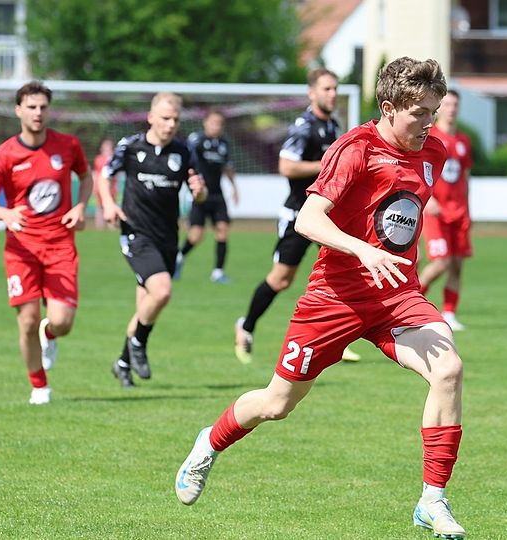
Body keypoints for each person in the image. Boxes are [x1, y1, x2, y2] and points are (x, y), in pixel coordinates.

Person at [175, 57, 467, 539]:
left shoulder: (432, 150)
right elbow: (307, 220)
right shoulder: (354, 149)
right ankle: (209, 442)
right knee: (276, 403)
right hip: (335, 299)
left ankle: (432, 500)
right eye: (419, 113)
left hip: (396, 297)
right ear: (389, 108)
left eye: (433, 112)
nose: (429, 123)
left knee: (449, 370)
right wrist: (362, 249)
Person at [0, 80, 93, 405]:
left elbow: (86, 176)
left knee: (62, 322)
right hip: (21, 249)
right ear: (18, 110)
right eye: (31, 107)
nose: (37, 113)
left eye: (43, 107)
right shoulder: (4, 154)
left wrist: (80, 206)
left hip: (60, 246)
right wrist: (5, 213)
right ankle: (39, 385)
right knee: (27, 320)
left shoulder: (67, 145)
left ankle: (49, 334)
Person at [233, 68, 361, 364]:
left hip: (325, 216)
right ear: (311, 93)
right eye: (326, 89)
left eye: (335, 89)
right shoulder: (304, 127)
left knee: (343, 271)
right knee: (281, 280)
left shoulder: (333, 126)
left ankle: (339, 339)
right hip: (298, 216)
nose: (332, 94)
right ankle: (246, 327)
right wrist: (326, 164)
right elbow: (286, 167)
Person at [98, 92, 207, 388]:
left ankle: (123, 363)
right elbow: (104, 176)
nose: (170, 125)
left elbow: (200, 192)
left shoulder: (184, 151)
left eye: (175, 120)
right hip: (136, 233)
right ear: (150, 117)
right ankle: (138, 343)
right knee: (162, 292)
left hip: (167, 237)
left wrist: (199, 192)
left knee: (147, 306)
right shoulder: (130, 146)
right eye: (165, 118)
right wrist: (108, 204)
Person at [419, 89, 473, 331]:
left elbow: (465, 177)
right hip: (435, 211)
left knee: (457, 265)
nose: (451, 109)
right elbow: (418, 168)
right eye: (447, 105)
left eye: (455, 105)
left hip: (459, 212)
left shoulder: (463, 141)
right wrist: (427, 198)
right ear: (440, 108)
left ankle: (449, 313)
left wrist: (468, 210)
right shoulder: (430, 137)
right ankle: (409, 305)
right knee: (440, 263)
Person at [174, 110, 239, 284]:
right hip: (200, 195)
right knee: (196, 235)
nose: (216, 126)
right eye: (213, 123)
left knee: (223, 230)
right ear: (205, 123)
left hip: (217, 195)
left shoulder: (224, 143)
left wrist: (234, 188)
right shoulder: (196, 140)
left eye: (219, 124)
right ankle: (179, 256)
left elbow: (227, 167)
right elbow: (187, 163)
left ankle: (218, 272)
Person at [92, 137, 117, 230]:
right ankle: (99, 228)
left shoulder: (114, 159)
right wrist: (94, 186)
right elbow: (96, 173)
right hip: (100, 188)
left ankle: (112, 227)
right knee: (100, 207)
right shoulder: (98, 159)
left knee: (111, 205)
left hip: (111, 188)